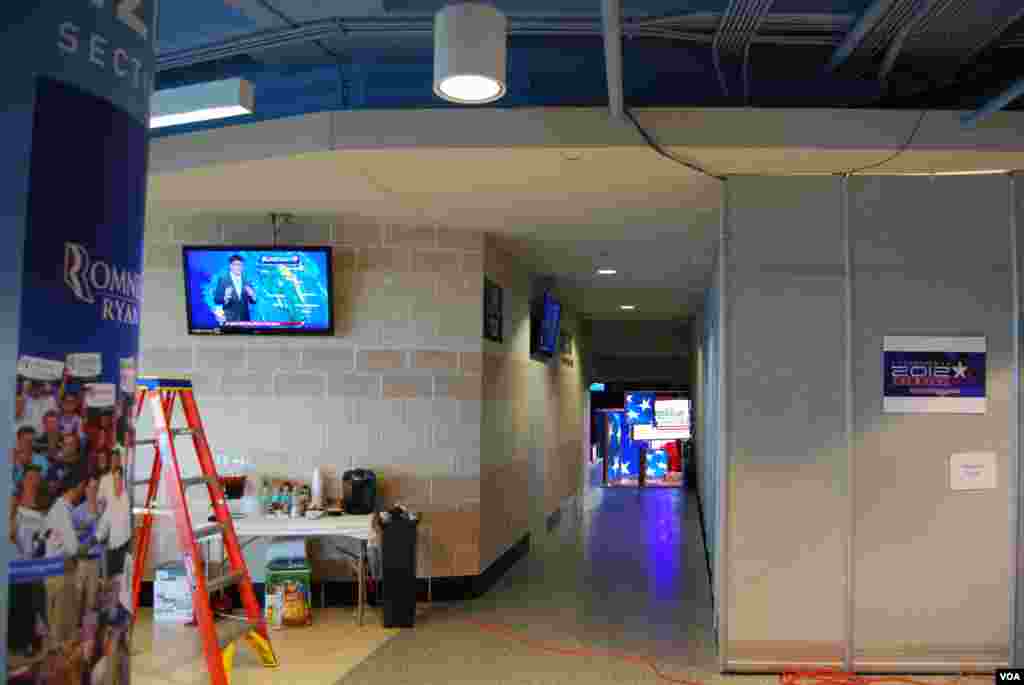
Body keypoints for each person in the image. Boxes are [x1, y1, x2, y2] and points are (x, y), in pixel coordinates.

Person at [9, 466, 49, 659]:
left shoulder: (41, 512)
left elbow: (43, 542)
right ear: (23, 480)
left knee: (31, 606)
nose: (33, 481)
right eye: (30, 477)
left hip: (32, 567)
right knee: (17, 604)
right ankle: (16, 644)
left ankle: (29, 643)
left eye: (36, 478)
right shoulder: (14, 508)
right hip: (15, 565)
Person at [44, 470, 86, 646]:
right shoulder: (62, 510)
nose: (83, 492)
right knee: (59, 627)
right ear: (76, 487)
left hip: (56, 570)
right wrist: (88, 542)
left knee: (59, 624)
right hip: (60, 572)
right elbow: (73, 548)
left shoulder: (59, 508)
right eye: (83, 487)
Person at [73, 475, 103, 621]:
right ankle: (74, 630)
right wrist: (83, 530)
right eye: (91, 488)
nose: (93, 491)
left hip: (96, 561)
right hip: (81, 560)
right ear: (86, 490)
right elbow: (71, 535)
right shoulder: (77, 511)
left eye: (96, 488)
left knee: (92, 600)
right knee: (77, 597)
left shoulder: (103, 510)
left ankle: (87, 634)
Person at [96, 466, 130, 588]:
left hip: (127, 547)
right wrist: (96, 538)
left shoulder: (128, 498)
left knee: (123, 581)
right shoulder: (111, 501)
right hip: (113, 546)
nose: (117, 483)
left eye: (119, 479)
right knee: (112, 581)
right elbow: (104, 523)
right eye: (115, 480)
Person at [213, 254, 257, 323]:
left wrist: (253, 295)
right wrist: (225, 297)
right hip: (229, 320)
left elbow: (253, 301)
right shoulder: (223, 280)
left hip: (245, 320)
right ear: (230, 266)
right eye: (237, 265)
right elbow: (217, 300)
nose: (239, 267)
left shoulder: (246, 280)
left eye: (241, 265)